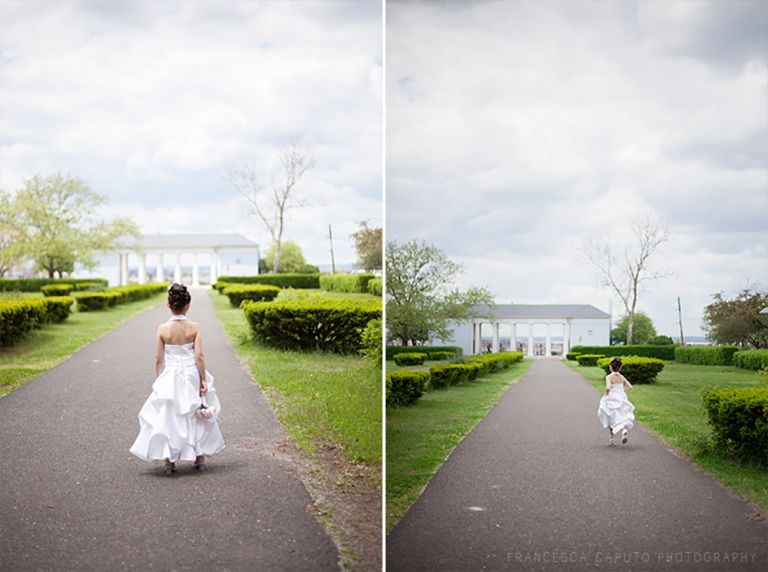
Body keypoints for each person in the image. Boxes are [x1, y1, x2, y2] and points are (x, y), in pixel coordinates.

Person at [130, 283, 225, 474]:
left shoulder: (163, 329)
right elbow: (199, 356)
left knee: (169, 414)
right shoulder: (195, 327)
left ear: (168, 305)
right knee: (195, 410)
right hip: (190, 373)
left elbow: (158, 358)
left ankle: (169, 460)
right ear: (187, 305)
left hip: (171, 374)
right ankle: (199, 457)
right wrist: (203, 378)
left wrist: (160, 379)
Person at [597, 357, 635, 446]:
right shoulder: (621, 377)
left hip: (612, 398)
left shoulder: (609, 377)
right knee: (621, 415)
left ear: (610, 367)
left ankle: (612, 439)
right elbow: (630, 387)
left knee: (609, 416)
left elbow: (608, 387)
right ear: (620, 368)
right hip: (621, 397)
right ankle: (624, 430)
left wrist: (606, 394)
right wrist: (622, 391)